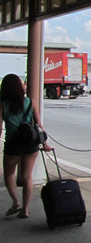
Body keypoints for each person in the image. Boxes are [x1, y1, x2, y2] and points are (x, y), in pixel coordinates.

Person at [1, 73, 52, 219]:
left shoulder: (3, 105)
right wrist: (45, 143)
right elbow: (38, 125)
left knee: (9, 174)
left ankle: (15, 202)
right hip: (31, 142)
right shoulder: (31, 102)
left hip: (13, 143)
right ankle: (25, 210)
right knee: (27, 177)